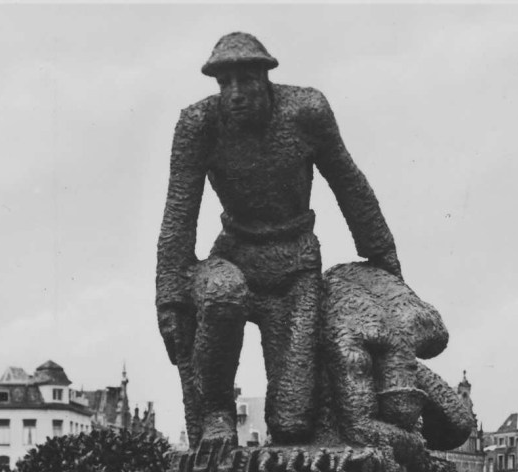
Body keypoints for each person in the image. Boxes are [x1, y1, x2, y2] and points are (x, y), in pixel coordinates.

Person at [157, 32, 402, 450]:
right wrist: (170, 298)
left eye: (246, 79)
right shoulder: (198, 125)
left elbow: (349, 184)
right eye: (224, 82)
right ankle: (217, 412)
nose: (235, 94)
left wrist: (385, 262)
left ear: (266, 77)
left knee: (293, 422)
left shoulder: (306, 112)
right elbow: (179, 214)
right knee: (221, 293)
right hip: (233, 255)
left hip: (294, 266)